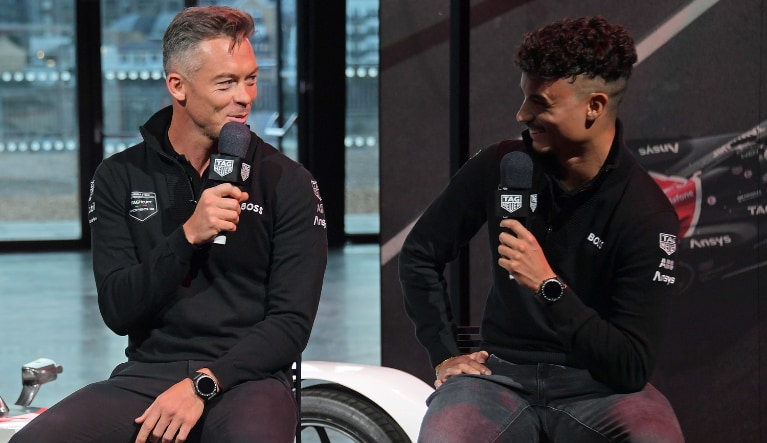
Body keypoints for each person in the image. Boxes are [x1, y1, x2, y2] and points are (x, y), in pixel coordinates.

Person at [12, 6, 327, 443]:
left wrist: (204, 383)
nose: (245, 97)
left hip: (247, 379)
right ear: (178, 86)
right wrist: (186, 237)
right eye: (226, 83)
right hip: (147, 375)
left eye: (251, 79)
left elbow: (291, 323)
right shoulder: (119, 176)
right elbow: (118, 309)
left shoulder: (287, 181)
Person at [399, 16, 685, 442]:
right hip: (497, 377)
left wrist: (548, 286)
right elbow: (420, 253)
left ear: (594, 107)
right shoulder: (502, 165)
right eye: (524, 97)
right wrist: (444, 354)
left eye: (541, 103)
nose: (522, 114)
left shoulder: (645, 212)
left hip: (599, 386)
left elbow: (630, 367)